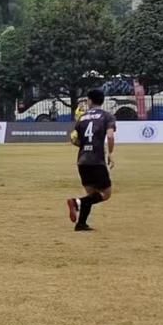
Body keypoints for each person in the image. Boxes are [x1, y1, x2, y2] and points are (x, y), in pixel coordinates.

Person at [67, 89, 116, 232]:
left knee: (91, 194)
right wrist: (111, 153)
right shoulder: (107, 116)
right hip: (97, 160)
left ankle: (81, 224)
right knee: (105, 194)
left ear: (90, 100)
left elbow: (75, 140)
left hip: (82, 160)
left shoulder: (81, 118)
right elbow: (110, 136)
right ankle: (77, 203)